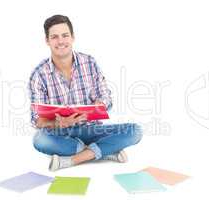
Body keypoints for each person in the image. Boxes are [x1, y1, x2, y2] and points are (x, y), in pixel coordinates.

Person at [29, 15, 142, 171]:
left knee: (135, 131)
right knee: (40, 139)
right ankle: (103, 151)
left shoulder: (89, 62)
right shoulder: (39, 74)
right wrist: (58, 123)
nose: (61, 41)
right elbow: (37, 121)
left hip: (92, 129)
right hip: (62, 134)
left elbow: (106, 97)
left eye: (65, 35)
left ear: (73, 37)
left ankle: (72, 160)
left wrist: (100, 104)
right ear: (47, 41)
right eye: (54, 37)